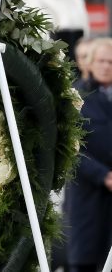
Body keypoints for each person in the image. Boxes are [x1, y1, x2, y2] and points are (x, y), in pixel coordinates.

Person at [65, 37, 112, 272]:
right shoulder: (77, 97)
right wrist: (104, 176)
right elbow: (71, 149)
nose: (106, 66)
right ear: (91, 63)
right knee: (86, 262)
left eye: (111, 62)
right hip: (87, 197)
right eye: (101, 61)